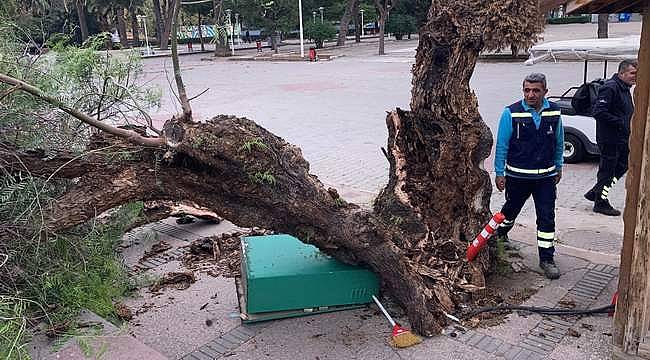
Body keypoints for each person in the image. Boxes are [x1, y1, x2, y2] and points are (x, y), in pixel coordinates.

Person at [494, 73, 564, 280]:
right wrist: (499, 173)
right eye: (527, 90)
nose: (531, 94)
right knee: (510, 210)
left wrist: (559, 166)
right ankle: (500, 234)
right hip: (517, 177)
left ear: (545, 91)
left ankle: (546, 258)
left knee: (546, 217)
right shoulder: (511, 113)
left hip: (545, 178)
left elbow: (559, 142)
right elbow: (502, 145)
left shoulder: (555, 112)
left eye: (536, 90)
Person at [584, 60, 637, 216]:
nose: (635, 77)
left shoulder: (624, 88)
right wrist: (620, 122)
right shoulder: (611, 87)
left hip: (622, 138)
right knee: (607, 171)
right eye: (632, 73)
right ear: (622, 73)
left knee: (622, 166)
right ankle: (600, 202)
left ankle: (597, 191)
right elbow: (599, 112)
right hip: (610, 139)